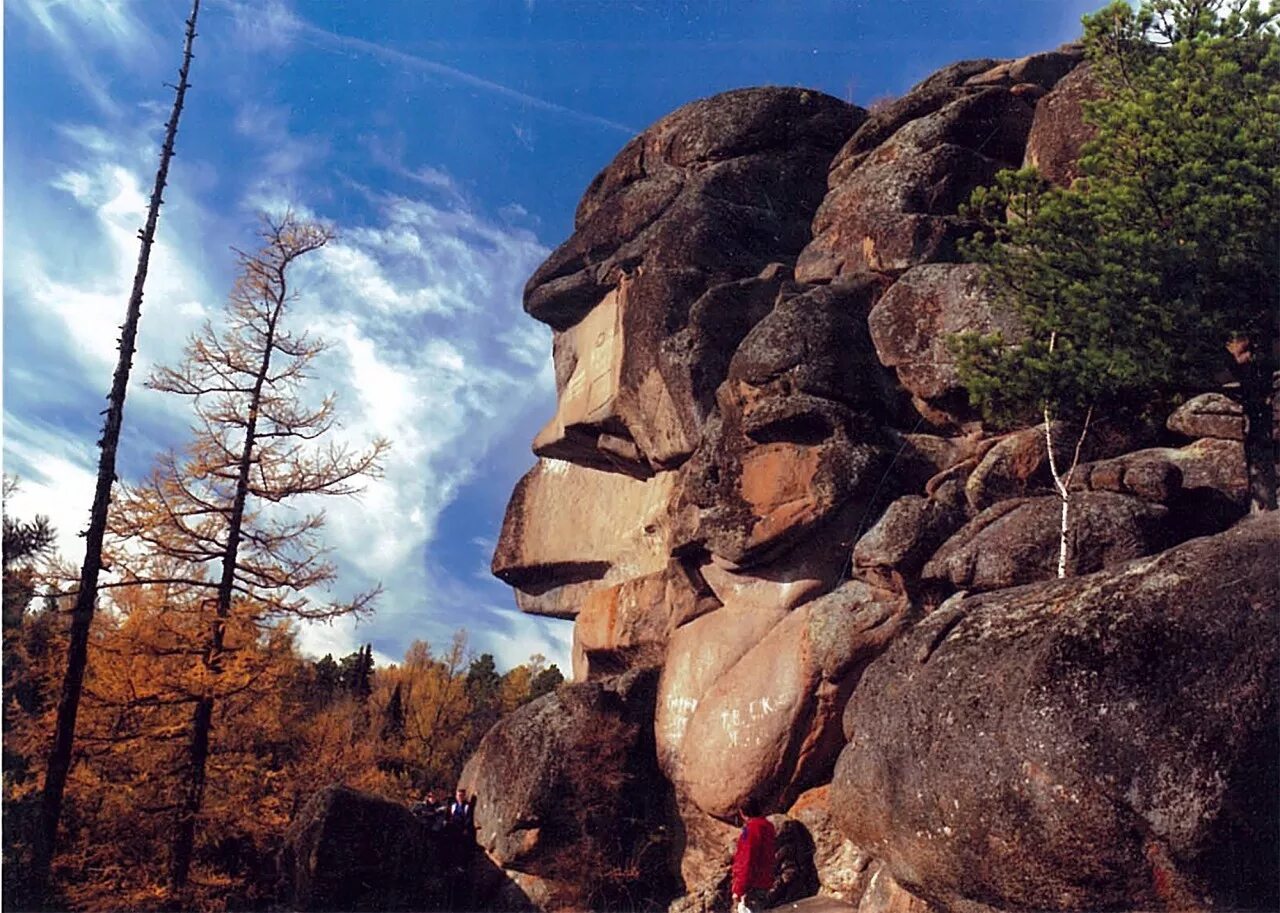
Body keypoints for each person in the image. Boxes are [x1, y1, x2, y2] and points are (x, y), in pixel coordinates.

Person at [730, 797, 776, 913]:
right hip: (765, 881)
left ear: (742, 813)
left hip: (751, 885)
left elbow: (746, 860)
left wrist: (738, 889)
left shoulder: (750, 830)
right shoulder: (768, 827)